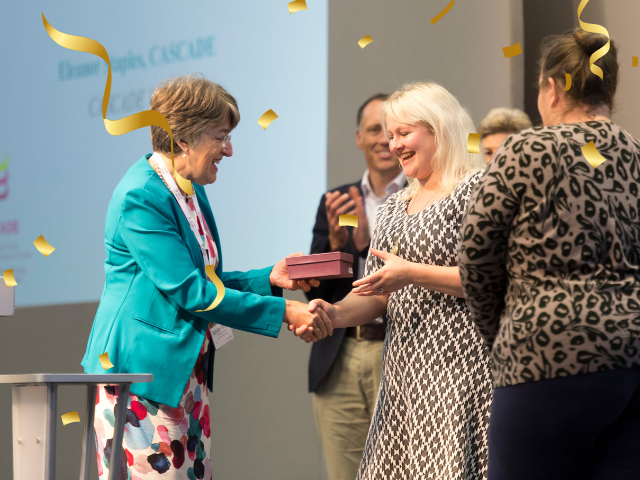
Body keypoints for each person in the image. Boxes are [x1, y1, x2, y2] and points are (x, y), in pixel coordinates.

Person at [81, 74, 332, 480]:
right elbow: (190, 291)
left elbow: (206, 279)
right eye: (221, 136)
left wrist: (270, 277)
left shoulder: (187, 188)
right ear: (183, 139)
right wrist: (283, 311)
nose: (229, 150)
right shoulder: (141, 195)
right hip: (141, 375)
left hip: (184, 374)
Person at [458, 29, 640, 480]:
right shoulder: (638, 154)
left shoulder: (526, 148)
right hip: (633, 360)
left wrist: (503, 331)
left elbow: (477, 256)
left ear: (552, 89)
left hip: (543, 355)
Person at [305, 82, 493, 479]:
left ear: (438, 128)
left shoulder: (475, 190)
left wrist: (411, 273)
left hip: (458, 376)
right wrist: (333, 314)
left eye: (403, 133)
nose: (394, 145)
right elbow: (378, 295)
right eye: (389, 136)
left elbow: (489, 278)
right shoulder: (394, 206)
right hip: (403, 381)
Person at [304, 93, 406, 480]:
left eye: (392, 130)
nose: (384, 139)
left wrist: (363, 246)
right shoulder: (338, 201)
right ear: (358, 138)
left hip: (398, 350)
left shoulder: (420, 195)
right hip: (341, 355)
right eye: (374, 130)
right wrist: (334, 247)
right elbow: (314, 294)